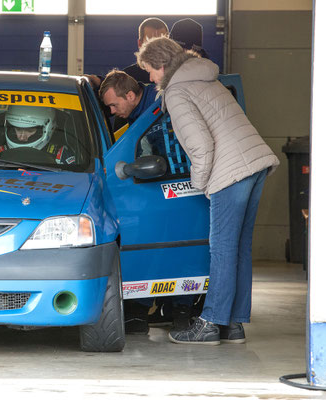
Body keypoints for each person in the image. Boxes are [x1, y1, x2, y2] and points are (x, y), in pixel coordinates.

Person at [136, 36, 279, 345]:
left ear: (162, 65)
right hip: (255, 164)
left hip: (231, 171)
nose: (149, 78)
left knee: (223, 248)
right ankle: (234, 325)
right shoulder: (204, 77)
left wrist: (200, 184)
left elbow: (200, 146)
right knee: (239, 247)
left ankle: (211, 322)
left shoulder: (177, 91)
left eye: (149, 70)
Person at [99, 69, 163, 155]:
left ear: (130, 96)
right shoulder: (131, 114)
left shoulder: (161, 99)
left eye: (114, 105)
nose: (112, 111)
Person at [0, 105, 76, 165]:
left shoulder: (60, 155)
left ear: (49, 128)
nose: (22, 137)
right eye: (18, 129)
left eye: (29, 130)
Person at [122, 17, 169, 84]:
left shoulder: (177, 73)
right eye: (150, 42)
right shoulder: (127, 78)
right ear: (140, 44)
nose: (157, 48)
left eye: (162, 42)